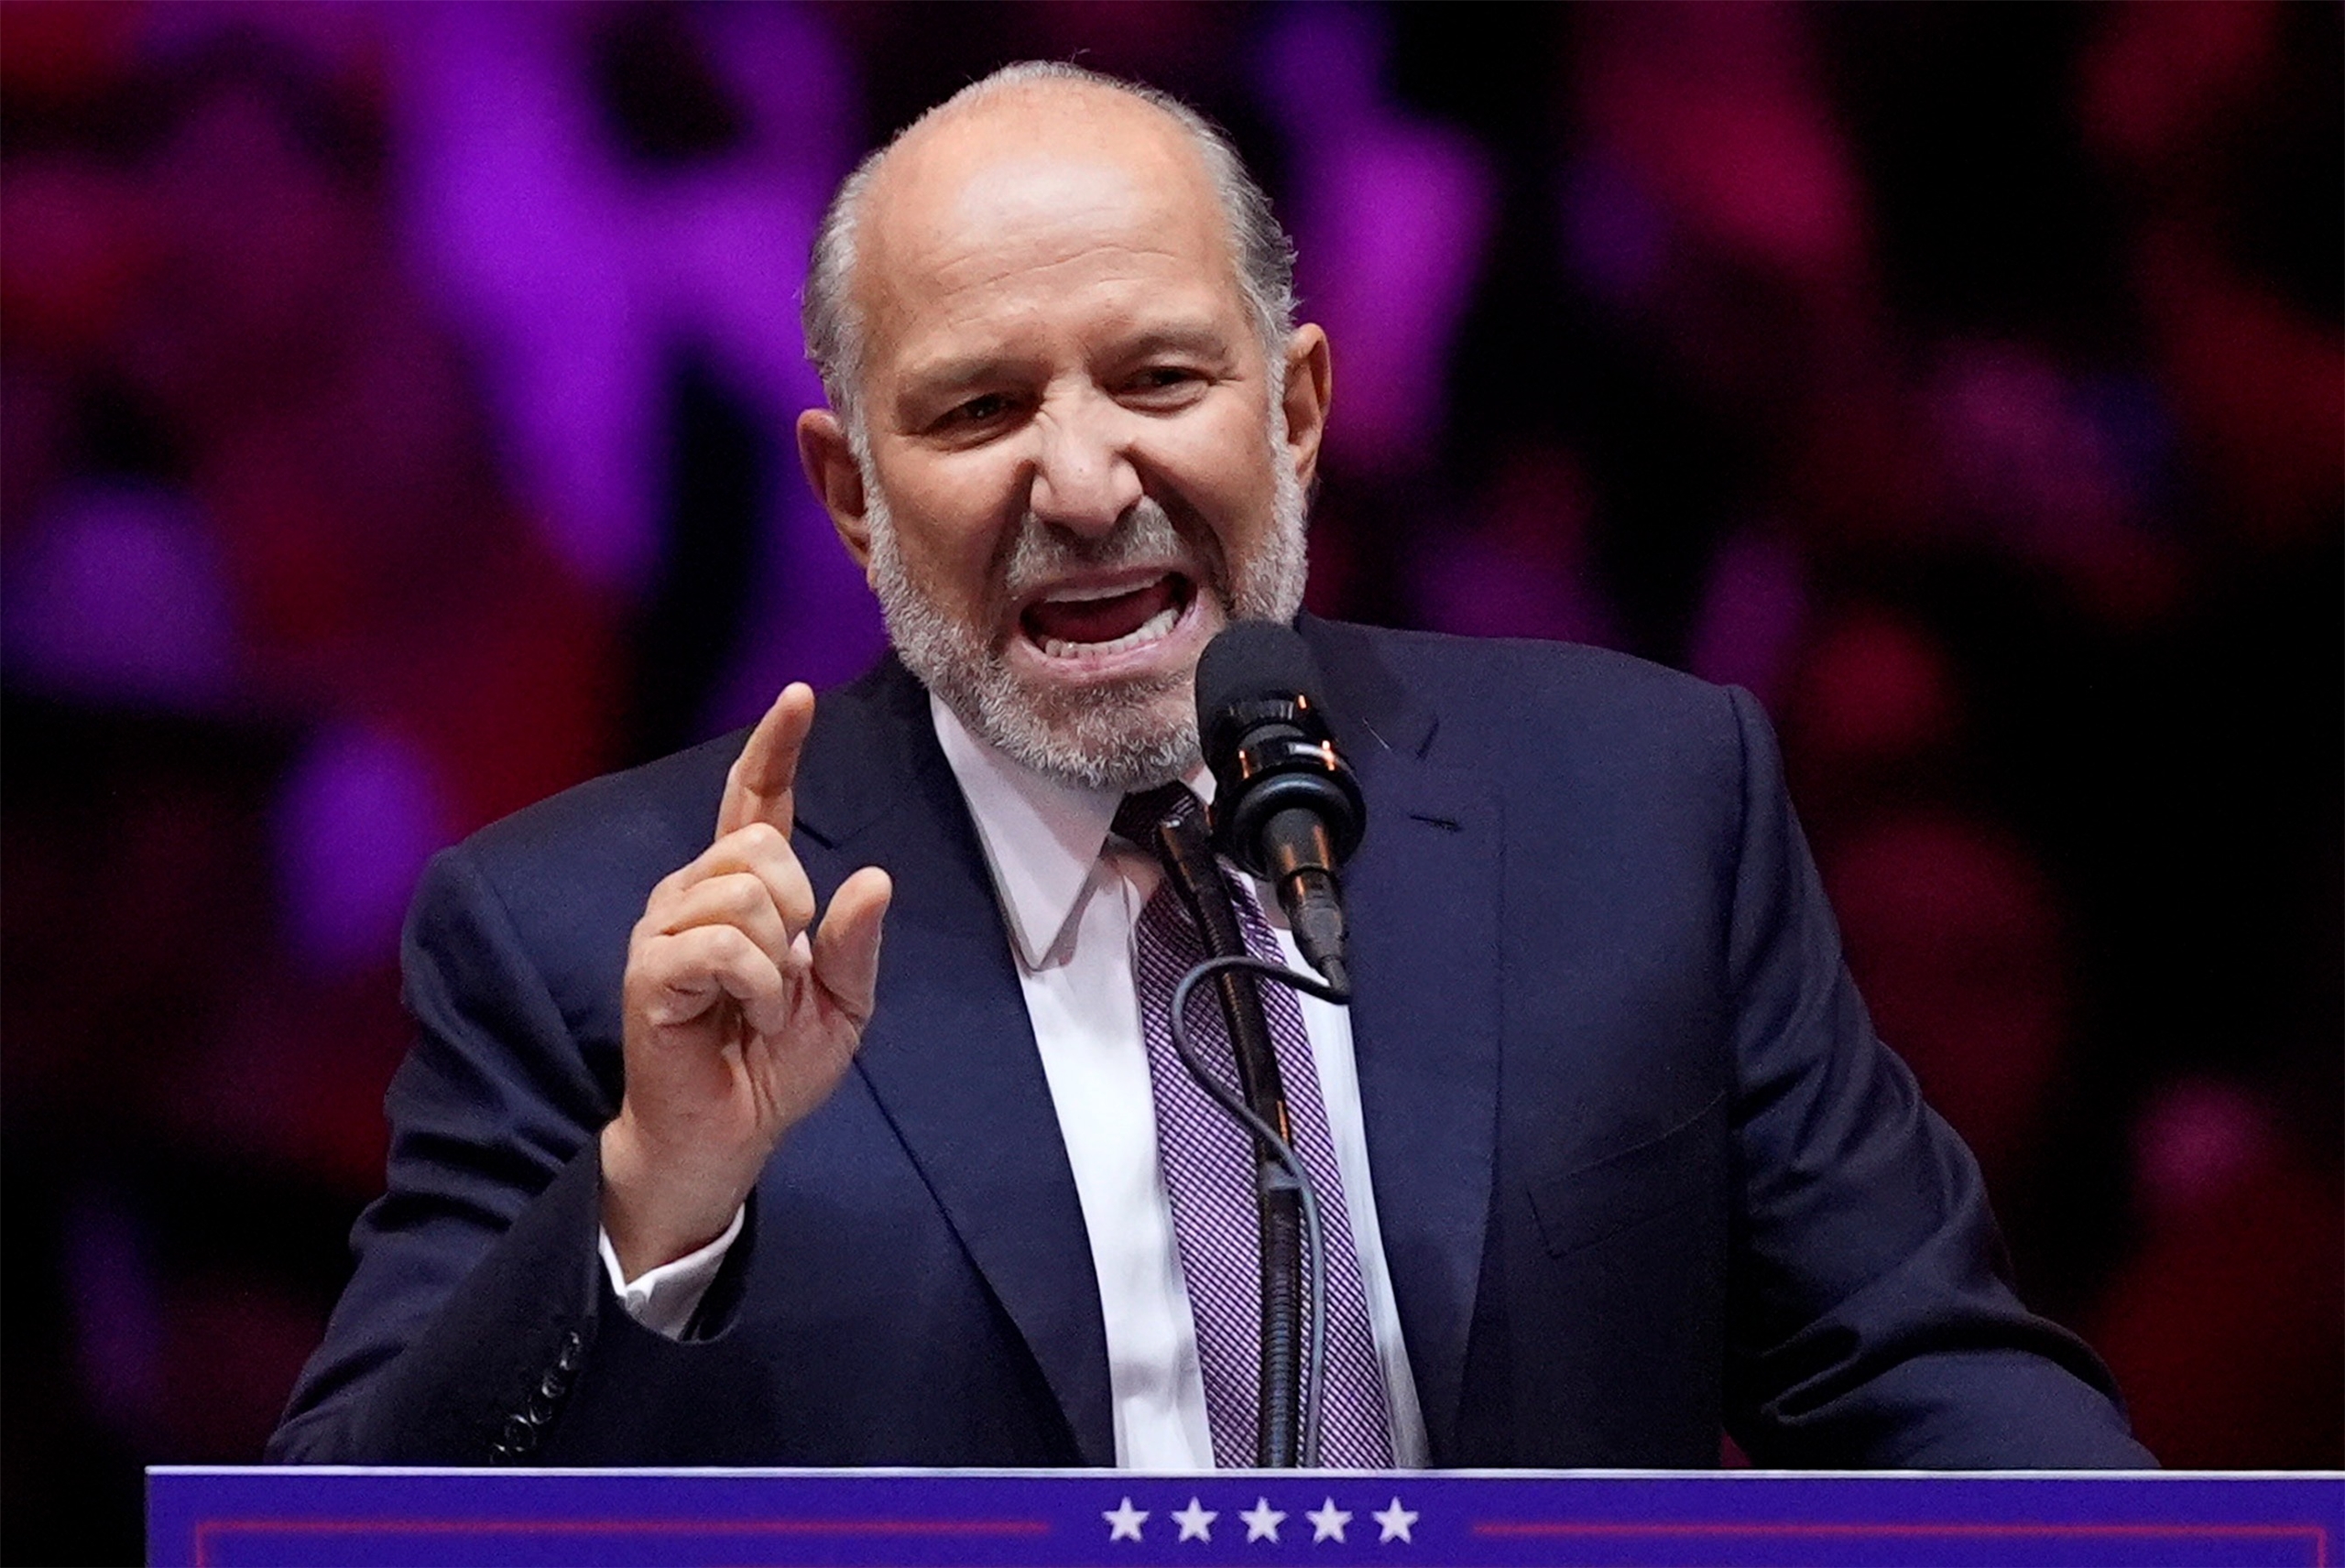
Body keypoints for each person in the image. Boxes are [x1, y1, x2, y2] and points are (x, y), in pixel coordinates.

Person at [269, 63, 2149, 1470]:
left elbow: (1922, 1378)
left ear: (1299, 413)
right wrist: (651, 1199)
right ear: (846, 495)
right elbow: (349, 1529)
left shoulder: (1640, 808)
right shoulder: (591, 934)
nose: (1082, 485)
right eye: (979, 408)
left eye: (1158, 381)